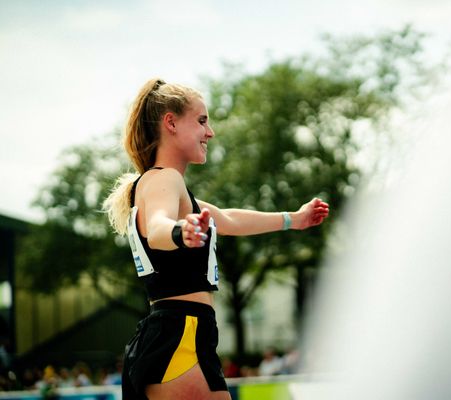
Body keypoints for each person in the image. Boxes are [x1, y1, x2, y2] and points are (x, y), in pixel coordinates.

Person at [103, 78, 329, 400]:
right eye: (202, 121)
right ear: (171, 123)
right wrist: (181, 232)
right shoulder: (163, 179)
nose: (210, 132)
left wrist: (294, 219)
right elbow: (157, 228)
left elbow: (230, 218)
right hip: (179, 335)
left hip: (180, 335)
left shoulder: (167, 187)